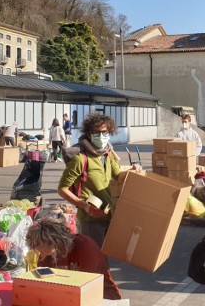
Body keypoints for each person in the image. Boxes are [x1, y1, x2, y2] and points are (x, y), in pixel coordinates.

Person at [57, 113, 141, 248]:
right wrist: (84, 205)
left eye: (105, 132)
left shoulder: (107, 154)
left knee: (104, 258)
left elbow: (118, 175)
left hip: (108, 215)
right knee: (93, 258)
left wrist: (133, 168)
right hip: (90, 220)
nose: (101, 136)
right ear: (89, 133)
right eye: (97, 132)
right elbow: (62, 189)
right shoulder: (81, 159)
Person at [25, 218, 122, 300]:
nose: (40, 253)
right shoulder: (46, 256)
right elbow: (46, 285)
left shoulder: (84, 245)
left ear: (54, 241)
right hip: (71, 297)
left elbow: (88, 284)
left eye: (42, 248)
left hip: (102, 296)